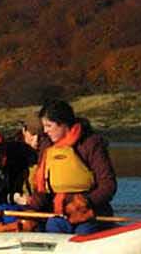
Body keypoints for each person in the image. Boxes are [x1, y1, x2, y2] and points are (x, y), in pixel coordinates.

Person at [20, 100, 117, 235]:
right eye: (44, 126)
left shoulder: (90, 144)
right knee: (54, 226)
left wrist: (85, 202)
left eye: (49, 126)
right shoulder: (48, 148)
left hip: (89, 214)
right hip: (58, 214)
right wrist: (29, 212)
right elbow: (42, 189)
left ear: (63, 124)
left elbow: (108, 185)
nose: (45, 131)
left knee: (85, 229)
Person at [0, 113, 45, 232]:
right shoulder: (8, 151)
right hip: (11, 204)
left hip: (38, 205)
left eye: (41, 136)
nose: (36, 141)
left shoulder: (49, 151)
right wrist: (14, 197)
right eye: (33, 135)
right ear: (24, 130)